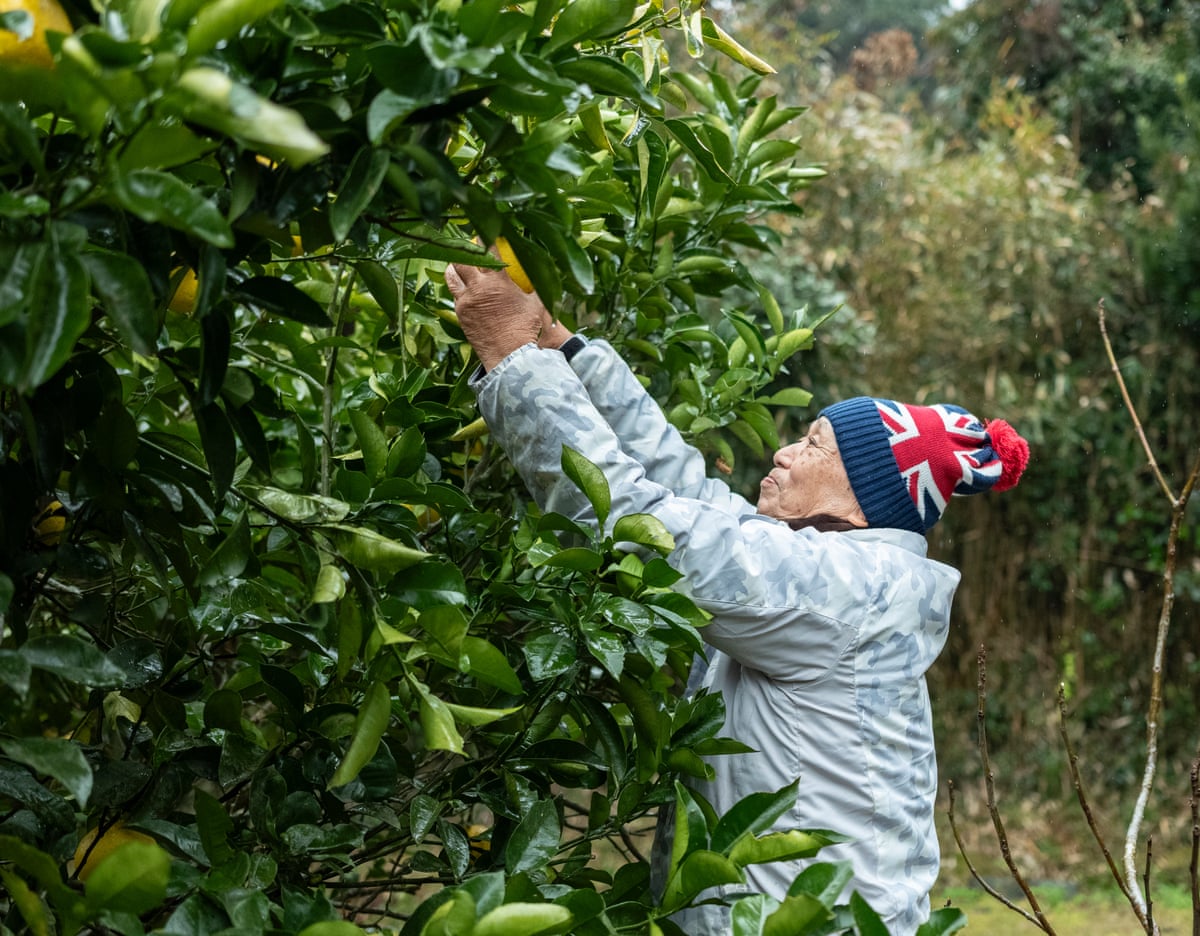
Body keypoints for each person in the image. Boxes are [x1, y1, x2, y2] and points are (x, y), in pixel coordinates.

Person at [444, 261, 1030, 935]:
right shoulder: (829, 564)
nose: (782, 452)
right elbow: (681, 485)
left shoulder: (845, 592)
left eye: (813, 446)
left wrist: (514, 358)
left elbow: (639, 524)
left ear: (862, 503)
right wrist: (559, 347)